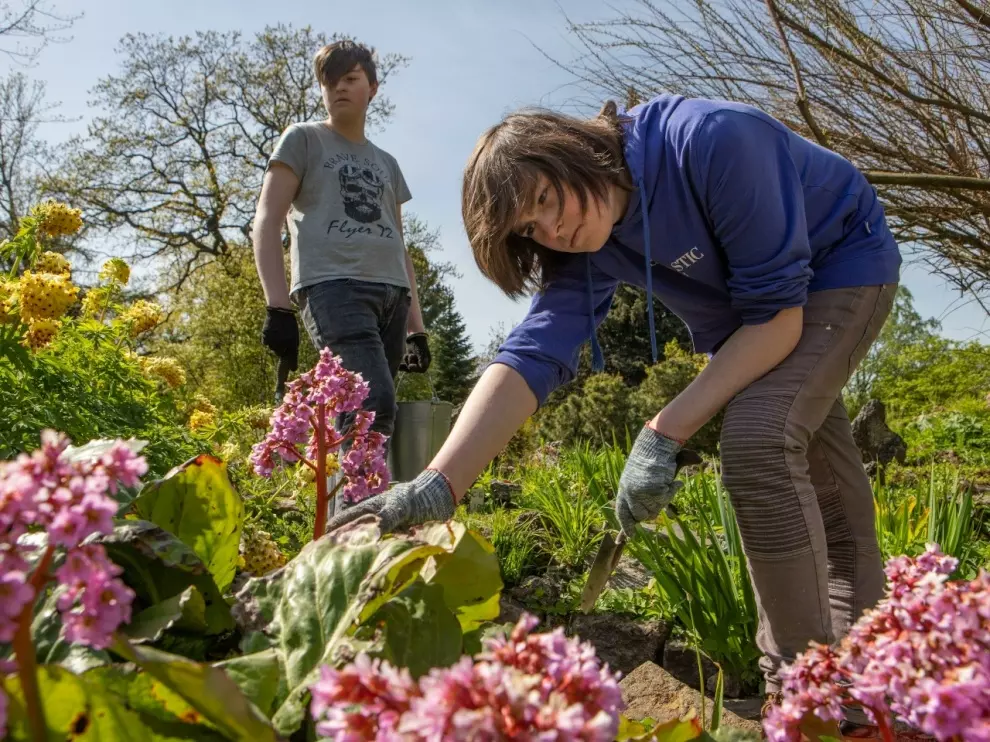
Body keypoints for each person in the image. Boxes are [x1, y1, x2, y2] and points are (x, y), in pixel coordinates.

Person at [325, 93, 901, 734]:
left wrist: (662, 432)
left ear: (571, 152)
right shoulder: (587, 240)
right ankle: (864, 687)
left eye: (544, 200)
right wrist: (439, 484)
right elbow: (533, 351)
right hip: (747, 314)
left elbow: (777, 319)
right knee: (825, 487)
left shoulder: (712, 142)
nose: (551, 232)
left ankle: (800, 701)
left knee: (759, 439)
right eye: (529, 230)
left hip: (837, 266)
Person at [252, 39, 431, 506]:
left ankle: (332, 513)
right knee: (373, 406)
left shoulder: (387, 164)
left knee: (356, 416)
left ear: (372, 87)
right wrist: (277, 306)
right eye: (330, 82)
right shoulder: (303, 139)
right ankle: (361, 524)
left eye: (350, 79)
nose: (339, 89)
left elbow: (400, 245)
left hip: (393, 297)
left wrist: (417, 329)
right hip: (333, 288)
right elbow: (267, 219)